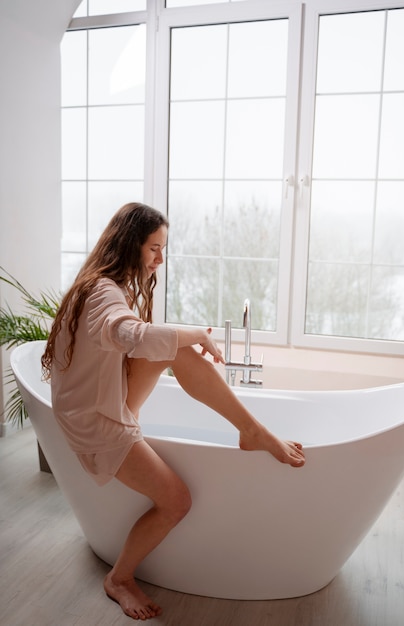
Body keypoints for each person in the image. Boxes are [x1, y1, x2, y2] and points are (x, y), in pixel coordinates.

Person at [42, 202, 305, 621]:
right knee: (177, 501)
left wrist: (187, 337)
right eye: (154, 248)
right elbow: (126, 332)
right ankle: (120, 578)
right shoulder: (105, 292)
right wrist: (198, 332)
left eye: (163, 249)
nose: (160, 259)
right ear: (130, 246)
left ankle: (252, 431)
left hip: (93, 401)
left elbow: (137, 339)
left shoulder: (101, 284)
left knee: (176, 349)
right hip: (94, 422)